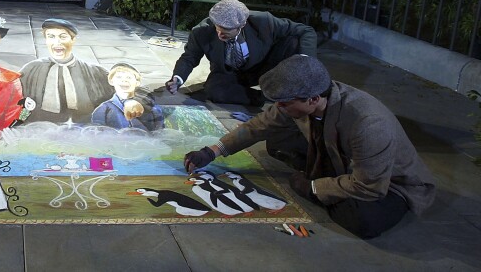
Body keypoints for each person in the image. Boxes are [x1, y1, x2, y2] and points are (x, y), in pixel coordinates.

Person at [183, 55, 436, 239]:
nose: (278, 108)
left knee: (363, 221)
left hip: (388, 182)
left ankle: (323, 183)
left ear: (313, 99)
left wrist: (312, 188)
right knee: (276, 141)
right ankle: (327, 179)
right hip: (343, 160)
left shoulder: (368, 124)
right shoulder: (305, 101)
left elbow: (368, 186)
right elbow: (258, 126)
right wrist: (212, 151)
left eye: (284, 103)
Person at [165, 0, 316, 106]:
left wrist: (304, 61)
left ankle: (287, 90)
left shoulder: (263, 21)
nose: (220, 32)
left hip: (264, 67)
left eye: (227, 29)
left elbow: (306, 31)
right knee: (214, 91)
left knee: (293, 42)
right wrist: (177, 79)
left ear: (242, 24)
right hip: (229, 73)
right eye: (217, 26)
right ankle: (263, 97)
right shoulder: (202, 31)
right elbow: (189, 57)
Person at [18, 18, 112, 123]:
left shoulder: (95, 72)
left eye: (63, 37)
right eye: (51, 37)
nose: (57, 42)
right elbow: (16, 104)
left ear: (73, 39)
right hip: (42, 130)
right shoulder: (31, 70)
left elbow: (125, 94)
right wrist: (19, 123)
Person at [91, 63, 164, 131]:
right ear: (111, 81)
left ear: (137, 82)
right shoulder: (103, 109)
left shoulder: (151, 108)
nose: (124, 80)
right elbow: (97, 134)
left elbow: (159, 131)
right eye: (119, 77)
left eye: (129, 77)